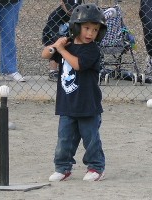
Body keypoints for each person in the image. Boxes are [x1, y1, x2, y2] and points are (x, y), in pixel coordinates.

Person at [41, 3, 107, 182]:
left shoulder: (93, 50)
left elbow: (77, 65)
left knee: (91, 139)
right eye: (86, 28)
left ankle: (96, 167)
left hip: (88, 105)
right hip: (67, 103)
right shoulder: (67, 46)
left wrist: (62, 50)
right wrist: (56, 45)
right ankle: (63, 168)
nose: (90, 33)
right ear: (76, 27)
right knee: (64, 140)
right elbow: (45, 54)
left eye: (95, 30)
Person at [42, 0, 82, 82]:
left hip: (71, 35)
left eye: (75, 8)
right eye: (70, 9)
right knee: (55, 45)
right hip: (52, 35)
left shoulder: (81, 14)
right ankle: (53, 70)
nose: (72, 11)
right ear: (62, 3)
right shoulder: (55, 16)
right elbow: (54, 34)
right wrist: (62, 42)